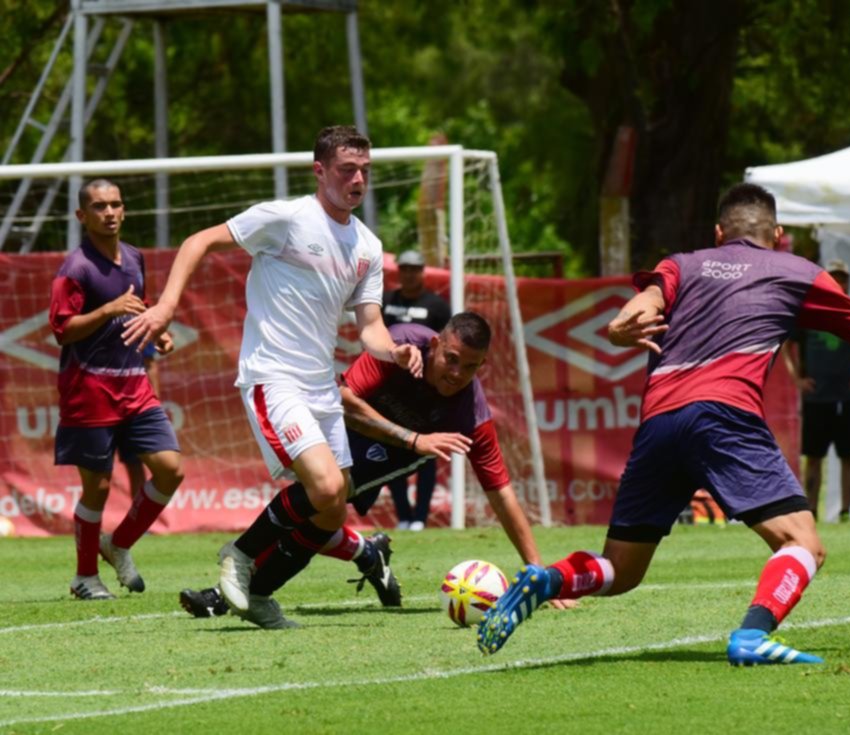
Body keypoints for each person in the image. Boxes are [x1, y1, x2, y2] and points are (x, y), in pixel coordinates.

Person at [475, 183, 850, 663]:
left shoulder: (682, 263)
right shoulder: (798, 271)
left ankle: (550, 578)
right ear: (778, 232)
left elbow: (641, 308)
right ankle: (752, 637)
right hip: (724, 415)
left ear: (717, 232)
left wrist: (618, 329)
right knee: (802, 543)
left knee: (621, 570)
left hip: (659, 421)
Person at [123, 125, 423, 630]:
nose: (357, 180)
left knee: (332, 509)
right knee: (326, 488)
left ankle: (258, 594)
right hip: (272, 376)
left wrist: (396, 351)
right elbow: (200, 241)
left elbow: (369, 326)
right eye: (347, 170)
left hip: (321, 387)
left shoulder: (368, 246)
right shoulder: (286, 218)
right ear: (320, 171)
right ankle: (239, 556)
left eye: (365, 172)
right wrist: (168, 305)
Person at [179, 313, 574, 619]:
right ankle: (366, 554)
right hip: (348, 420)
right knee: (324, 503)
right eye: (451, 359)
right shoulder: (401, 345)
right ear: (435, 345)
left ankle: (231, 595)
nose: (456, 374)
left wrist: (537, 572)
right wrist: (414, 438)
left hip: (389, 455)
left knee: (323, 503)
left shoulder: (470, 415)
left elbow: (500, 492)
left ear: (482, 366)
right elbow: (345, 398)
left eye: (469, 367)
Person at [50, 178, 184, 600]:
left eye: (115, 205)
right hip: (89, 388)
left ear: (124, 211)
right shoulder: (76, 268)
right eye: (99, 206)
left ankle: (119, 543)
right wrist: (106, 309)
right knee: (99, 487)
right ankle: (85, 577)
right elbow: (62, 330)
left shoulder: (134, 258)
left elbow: (134, 310)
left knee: (170, 470)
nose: (109, 212)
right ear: (81, 216)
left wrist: (154, 334)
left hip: (134, 385)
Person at [783, 259, 850, 521]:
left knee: (849, 456)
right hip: (817, 396)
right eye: (833, 277)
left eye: (843, 278)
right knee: (813, 456)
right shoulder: (809, 311)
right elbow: (786, 347)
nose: (839, 283)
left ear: (849, 282)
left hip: (847, 396)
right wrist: (797, 379)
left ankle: (846, 511)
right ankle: (811, 510)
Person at [382, 249, 451, 531]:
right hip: (390, 390)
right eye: (405, 268)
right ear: (399, 270)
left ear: (423, 271)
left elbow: (447, 348)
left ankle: (420, 518)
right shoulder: (387, 301)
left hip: (424, 392)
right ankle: (404, 517)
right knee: (391, 448)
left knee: (426, 452)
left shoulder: (437, 306)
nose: (410, 274)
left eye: (415, 269)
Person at [121, 344, 160, 499]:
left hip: (134, 406)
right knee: (97, 477)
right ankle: (91, 523)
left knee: (137, 465)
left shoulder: (137, 321)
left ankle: (138, 521)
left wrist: (155, 404)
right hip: (99, 405)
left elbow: (150, 363)